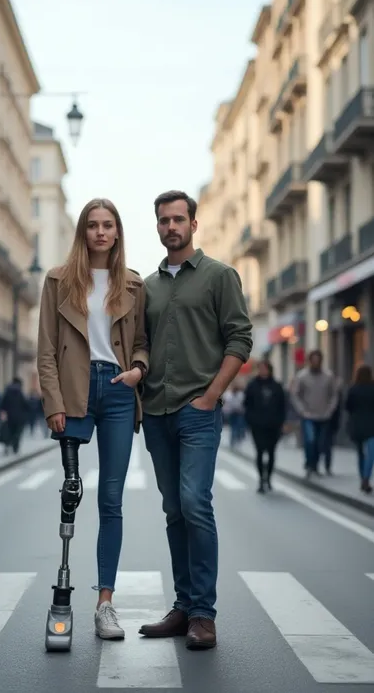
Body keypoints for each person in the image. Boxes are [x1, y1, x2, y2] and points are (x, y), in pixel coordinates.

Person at [139, 190, 252, 649]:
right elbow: (140, 344)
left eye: (178, 219)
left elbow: (239, 339)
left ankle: (204, 614)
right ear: (158, 226)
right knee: (173, 510)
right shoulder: (147, 286)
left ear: (193, 224)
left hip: (197, 412)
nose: (171, 227)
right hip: (157, 412)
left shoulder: (219, 276)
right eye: (164, 220)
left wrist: (210, 396)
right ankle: (184, 605)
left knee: (194, 502)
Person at [37, 197, 149, 640]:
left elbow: (142, 341)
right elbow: (46, 348)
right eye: (93, 225)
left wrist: (138, 369)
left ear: (118, 232)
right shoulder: (59, 280)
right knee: (72, 492)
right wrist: (54, 403)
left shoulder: (135, 286)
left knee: (112, 500)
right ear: (83, 231)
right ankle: (61, 592)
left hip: (119, 391)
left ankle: (105, 604)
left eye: (108, 225)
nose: (101, 232)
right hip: (76, 390)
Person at [290, 350, 339, 478]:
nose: (316, 362)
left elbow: (334, 395)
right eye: (313, 360)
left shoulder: (328, 376)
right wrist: (302, 410)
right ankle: (310, 464)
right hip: (308, 416)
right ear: (309, 361)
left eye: (318, 360)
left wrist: (330, 410)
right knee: (310, 441)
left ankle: (315, 465)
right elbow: (295, 395)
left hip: (324, 416)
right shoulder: (302, 376)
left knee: (320, 442)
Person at [243, 360, 286, 493]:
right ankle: (261, 479)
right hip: (258, 425)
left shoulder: (277, 386)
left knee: (272, 452)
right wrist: (250, 420)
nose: (262, 371)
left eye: (265, 368)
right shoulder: (252, 386)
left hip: (273, 425)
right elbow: (247, 404)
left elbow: (282, 405)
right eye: (260, 369)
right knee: (260, 452)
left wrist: (281, 422)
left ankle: (269, 478)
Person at [345, 364, 374, 494]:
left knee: (360, 453)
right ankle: (366, 478)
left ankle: (363, 477)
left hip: (357, 425)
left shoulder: (353, 389)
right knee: (370, 454)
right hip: (371, 425)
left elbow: (347, 406)